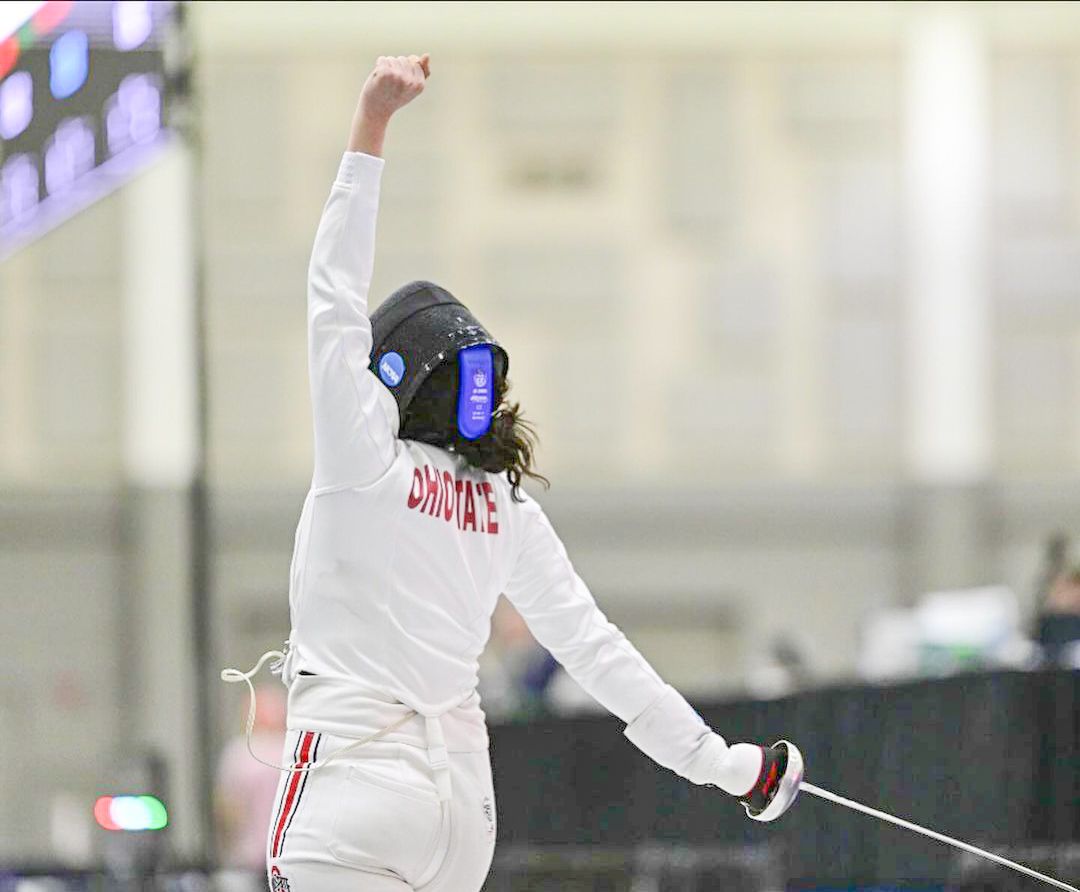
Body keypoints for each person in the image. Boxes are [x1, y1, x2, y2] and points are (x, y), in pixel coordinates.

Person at [262, 54, 803, 892]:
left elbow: (330, 290)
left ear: (392, 381)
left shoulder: (362, 454)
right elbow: (597, 653)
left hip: (353, 801)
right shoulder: (502, 506)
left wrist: (371, 123)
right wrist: (726, 767)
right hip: (463, 820)